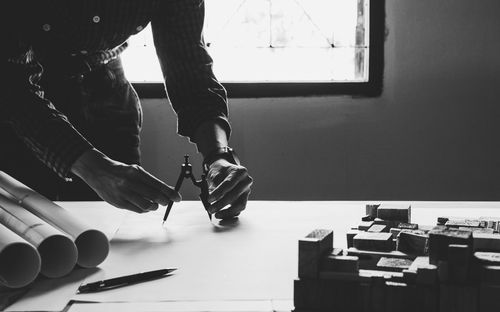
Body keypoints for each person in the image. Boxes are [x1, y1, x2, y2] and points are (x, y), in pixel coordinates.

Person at [0, 0, 252, 219]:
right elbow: (12, 86)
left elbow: (189, 67)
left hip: (106, 91)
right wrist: (94, 168)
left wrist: (218, 156)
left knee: (118, 237)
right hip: (17, 109)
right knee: (27, 236)